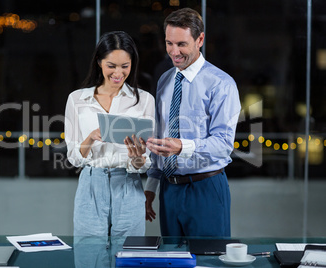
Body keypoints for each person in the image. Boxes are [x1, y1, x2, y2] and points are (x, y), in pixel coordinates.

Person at [145, 8, 241, 237]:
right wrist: (151, 186)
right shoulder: (165, 80)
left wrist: (182, 146)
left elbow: (223, 144)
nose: (174, 52)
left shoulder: (221, 84)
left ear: (200, 39)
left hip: (205, 188)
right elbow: (161, 136)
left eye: (181, 44)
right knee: (171, 261)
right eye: (169, 43)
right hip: (169, 189)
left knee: (209, 261)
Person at [65, 31, 155, 237]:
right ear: (99, 62)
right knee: (89, 255)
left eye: (125, 66)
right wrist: (90, 137)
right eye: (111, 66)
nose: (118, 73)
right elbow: (73, 157)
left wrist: (138, 158)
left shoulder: (145, 100)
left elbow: (145, 163)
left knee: (129, 256)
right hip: (90, 185)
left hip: (128, 185)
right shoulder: (77, 99)